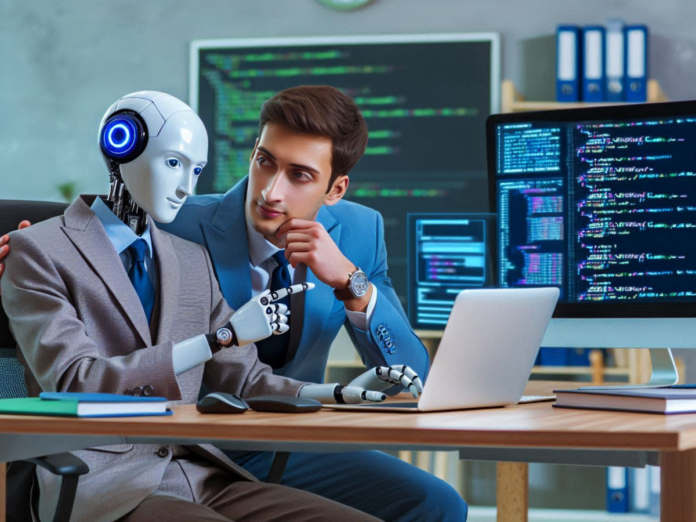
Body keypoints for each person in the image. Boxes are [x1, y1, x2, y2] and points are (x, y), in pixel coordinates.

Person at [0, 86, 469, 521]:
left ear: (335, 190)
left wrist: (352, 283)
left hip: (287, 433)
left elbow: (412, 374)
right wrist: (29, 246)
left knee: (435, 503)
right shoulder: (177, 223)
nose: (270, 191)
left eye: (300, 175)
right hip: (186, 440)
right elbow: (93, 241)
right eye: (265, 161)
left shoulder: (360, 233)